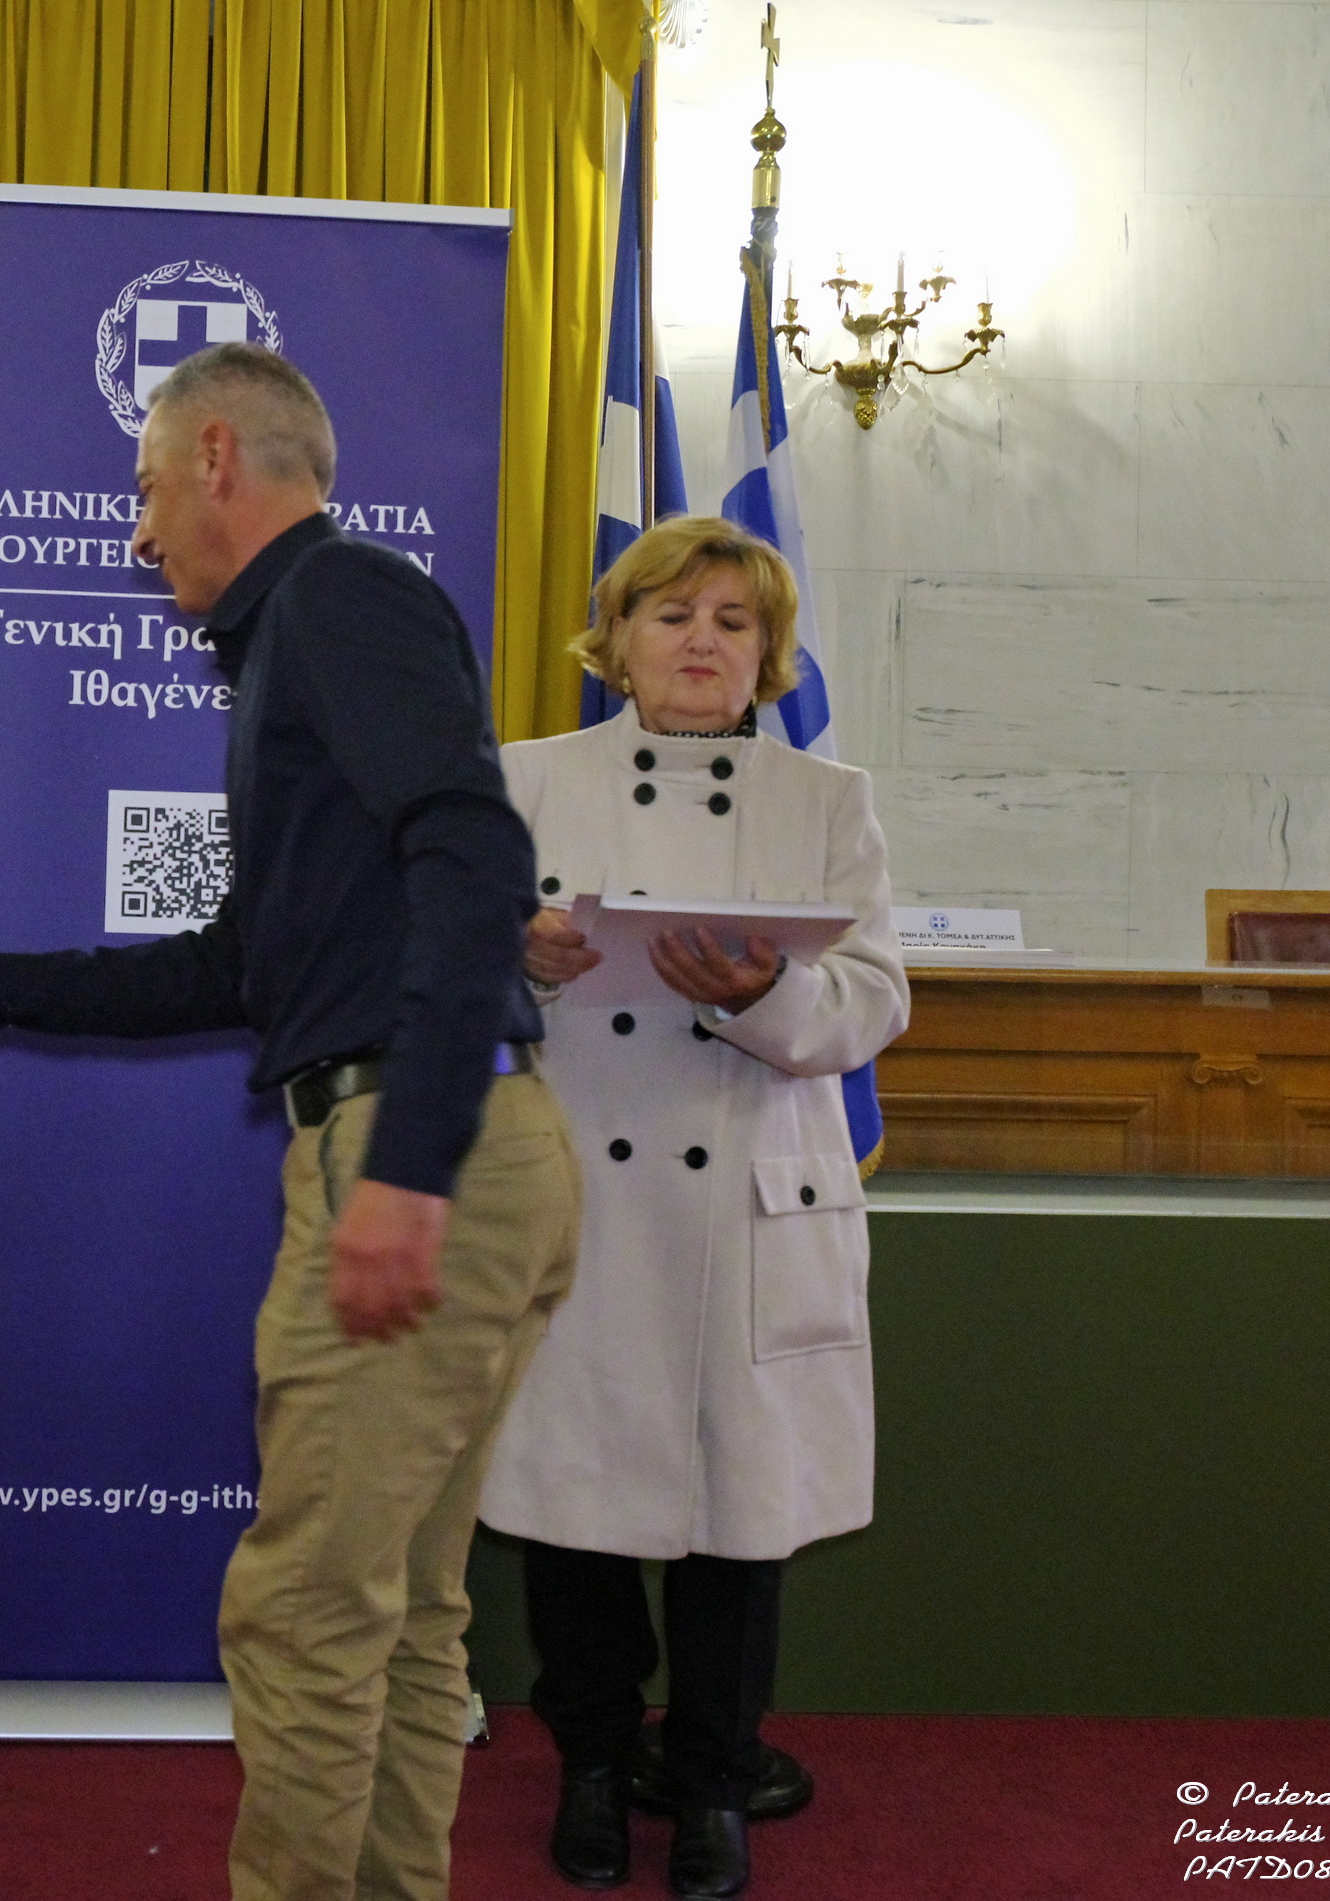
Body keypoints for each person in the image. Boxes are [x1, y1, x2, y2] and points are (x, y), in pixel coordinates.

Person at [0, 342, 583, 1901]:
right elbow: (238, 968)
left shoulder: (337, 598)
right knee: (396, 1608)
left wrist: (409, 1165)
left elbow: (474, 853)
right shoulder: (286, 642)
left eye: (142, 489)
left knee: (306, 1614)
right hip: (449, 1137)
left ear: (213, 456)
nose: (136, 535)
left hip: (418, 1142)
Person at [476, 516, 908, 1899]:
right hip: (582, 1199)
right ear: (615, 640)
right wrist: (522, 959)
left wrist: (764, 993)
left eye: (733, 621)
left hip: (749, 1199)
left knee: (742, 1517)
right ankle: (592, 1766)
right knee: (572, 1510)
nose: (702, 643)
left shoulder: (824, 799)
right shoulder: (524, 781)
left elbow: (874, 1000)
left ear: (768, 652)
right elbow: (440, 965)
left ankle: (715, 1781)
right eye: (671, 616)